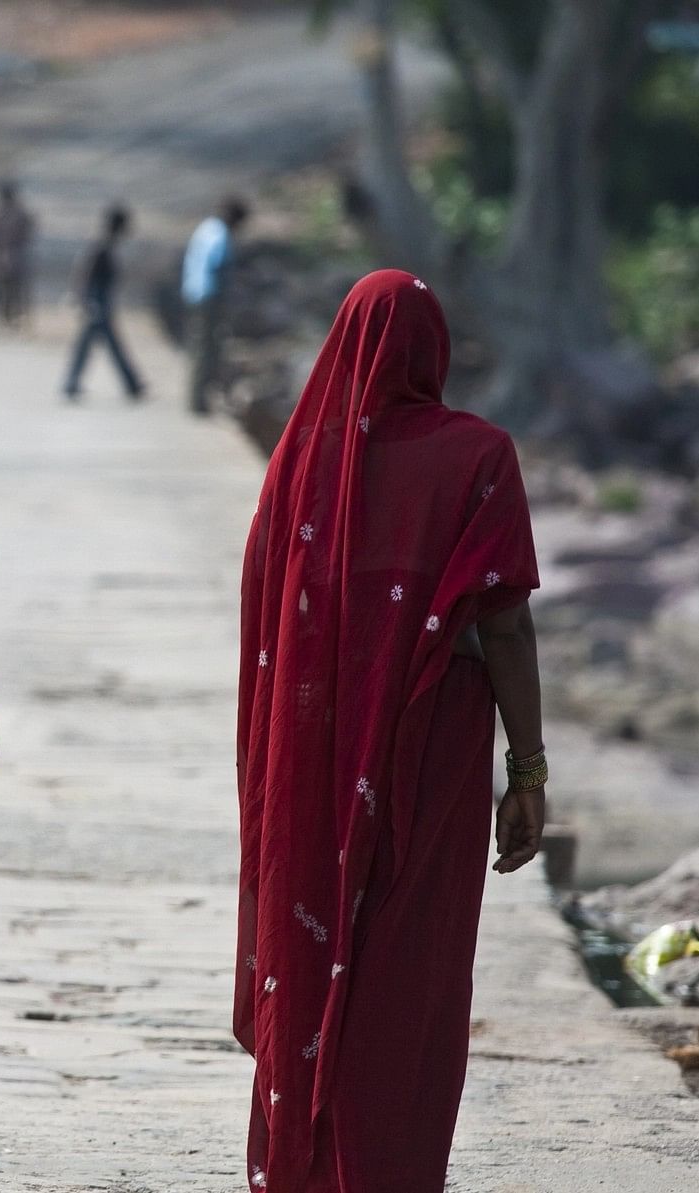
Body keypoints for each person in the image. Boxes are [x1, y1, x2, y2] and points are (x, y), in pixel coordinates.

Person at [235, 270, 544, 1193]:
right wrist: (525, 768)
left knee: (312, 932)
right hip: (433, 751)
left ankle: (304, 1166)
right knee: (413, 964)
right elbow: (505, 626)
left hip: (312, 753)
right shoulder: (480, 456)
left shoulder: (299, 466)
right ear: (434, 350)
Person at [62, 204, 145, 402]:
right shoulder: (102, 246)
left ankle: (131, 384)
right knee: (105, 346)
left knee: (95, 345)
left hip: (100, 302)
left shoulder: (107, 245)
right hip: (96, 303)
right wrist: (84, 300)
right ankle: (132, 384)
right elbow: (85, 273)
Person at [183, 195, 248, 414]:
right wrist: (230, 297)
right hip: (210, 297)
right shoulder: (221, 235)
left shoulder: (206, 228)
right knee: (208, 348)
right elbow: (219, 266)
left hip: (194, 292)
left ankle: (198, 399)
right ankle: (198, 402)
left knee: (202, 345)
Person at [0, 179, 34, 330]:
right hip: (12, 257)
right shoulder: (19, 213)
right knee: (8, 291)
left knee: (8, 291)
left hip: (4, 257)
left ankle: (9, 319)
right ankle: (9, 319)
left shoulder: (0, 214)